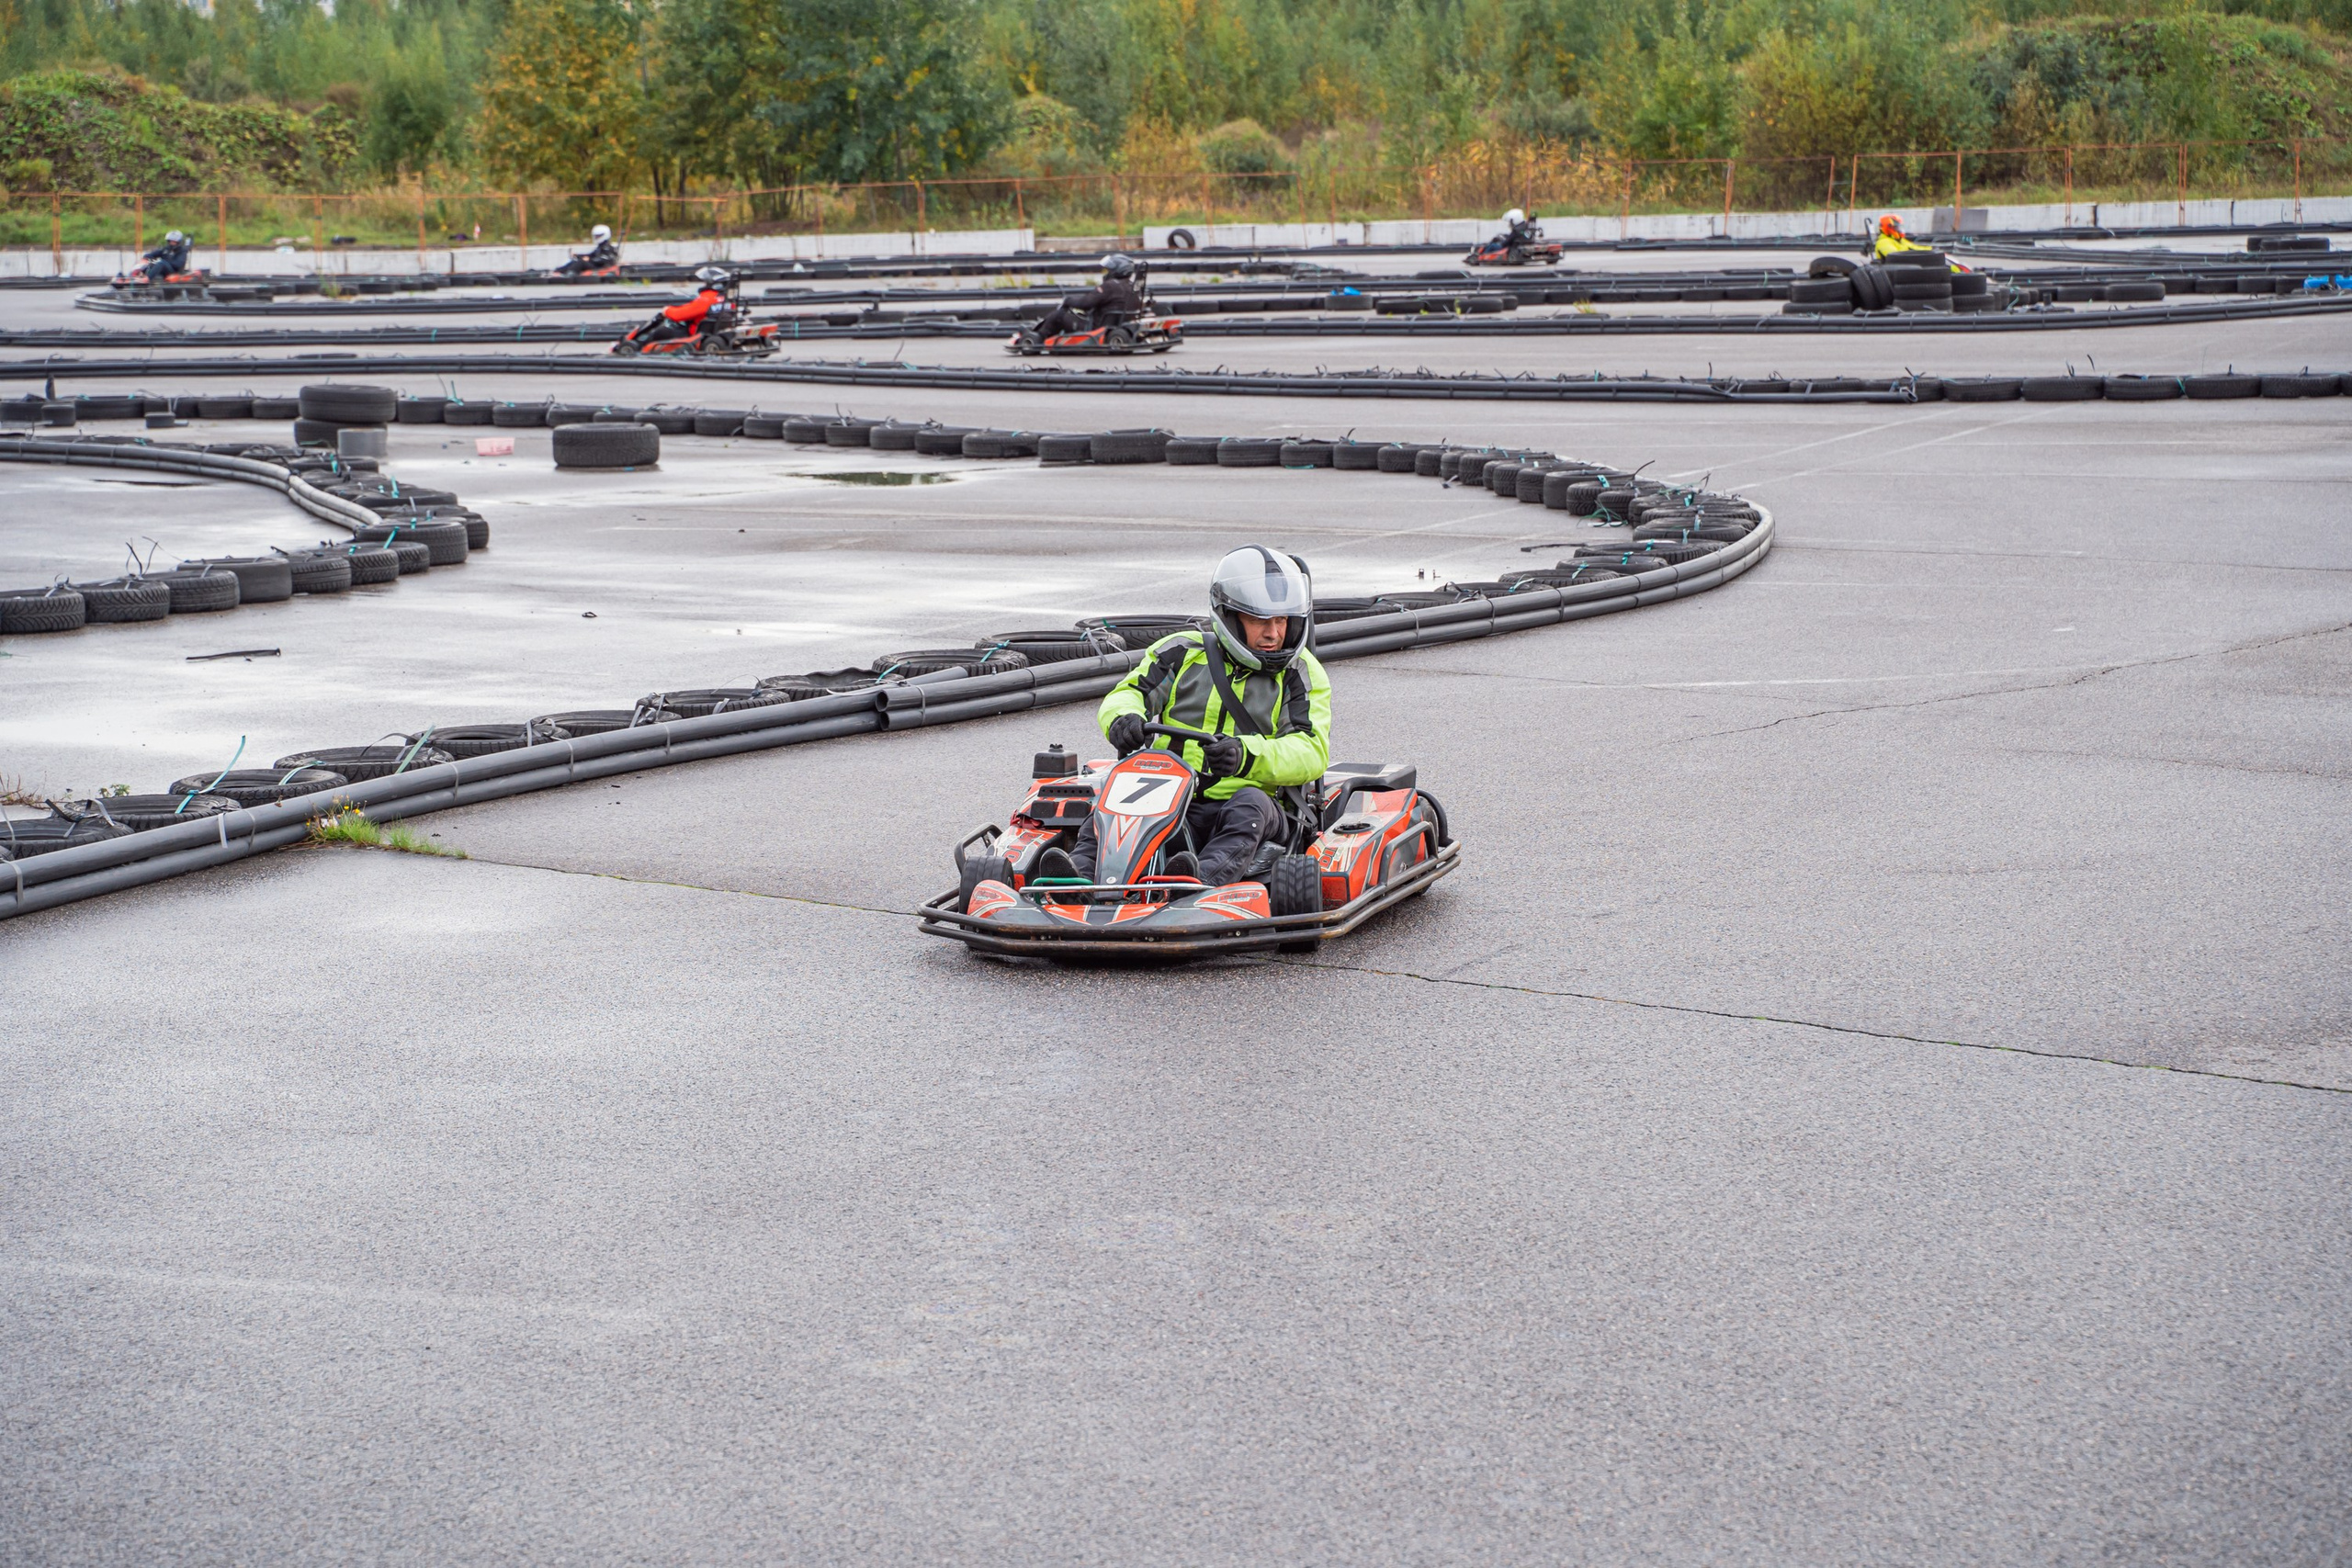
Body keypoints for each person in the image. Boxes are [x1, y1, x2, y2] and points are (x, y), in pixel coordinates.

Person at [1037, 546, 1332, 887]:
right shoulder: (1182, 651)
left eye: (1281, 620)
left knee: (1248, 805)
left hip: (1253, 808)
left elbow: (1311, 750)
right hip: (1170, 798)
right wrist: (1124, 719)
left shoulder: (1300, 673)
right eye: (1259, 620)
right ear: (1230, 616)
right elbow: (1127, 693)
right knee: (1114, 796)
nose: (1273, 634)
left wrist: (1245, 755)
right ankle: (1079, 879)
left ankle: (1192, 884)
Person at [1030, 254, 1144, 340]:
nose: (1105, 273)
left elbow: (1086, 303)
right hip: (1118, 325)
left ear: (1117, 270)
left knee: (1059, 315)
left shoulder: (1110, 286)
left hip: (1095, 327)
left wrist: (1068, 300)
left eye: (1107, 270)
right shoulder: (1133, 287)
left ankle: (1038, 338)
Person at [632, 265, 737, 345]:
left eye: (705, 283)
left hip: (695, 335)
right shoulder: (726, 300)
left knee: (661, 332)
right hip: (712, 331)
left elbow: (680, 315)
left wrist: (667, 311)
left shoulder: (707, 298)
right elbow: (692, 309)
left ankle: (639, 347)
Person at [555, 223, 619, 276]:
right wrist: (578, 256)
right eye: (595, 236)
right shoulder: (600, 247)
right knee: (575, 261)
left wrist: (590, 260)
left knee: (581, 263)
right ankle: (559, 271)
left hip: (600, 267)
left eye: (598, 236)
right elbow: (590, 255)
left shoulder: (608, 248)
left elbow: (605, 259)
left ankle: (570, 273)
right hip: (595, 265)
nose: (596, 238)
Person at [1870, 213, 1934, 261]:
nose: (1899, 230)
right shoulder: (1883, 242)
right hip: (1892, 271)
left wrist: (1932, 250)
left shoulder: (1900, 240)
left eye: (1899, 227)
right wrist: (1910, 252)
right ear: (1888, 228)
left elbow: (1915, 248)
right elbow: (1896, 257)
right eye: (1896, 228)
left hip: (1904, 267)